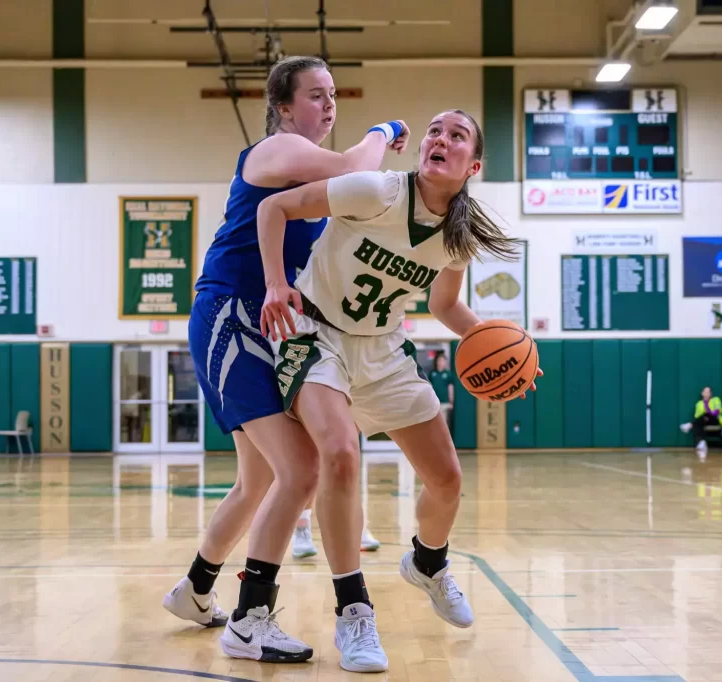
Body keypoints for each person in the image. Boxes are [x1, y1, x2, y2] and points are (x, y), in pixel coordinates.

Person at [257, 109, 540, 672]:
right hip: (315, 332)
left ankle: (428, 563)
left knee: (447, 480)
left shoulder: (459, 235)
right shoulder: (376, 190)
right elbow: (275, 207)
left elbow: (443, 306)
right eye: (435, 130)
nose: (439, 138)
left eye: (456, 135)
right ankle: (353, 610)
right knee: (339, 456)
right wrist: (275, 284)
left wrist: (505, 349)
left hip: (384, 347)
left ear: (473, 164)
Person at [160, 55, 409, 664]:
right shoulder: (271, 152)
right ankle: (251, 619)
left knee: (260, 479)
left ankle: (194, 589)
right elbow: (358, 168)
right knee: (301, 467)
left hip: (271, 326)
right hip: (231, 315)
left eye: (332, 96)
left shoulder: (307, 178)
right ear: (283, 108)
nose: (327, 106)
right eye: (316, 95)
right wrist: (386, 130)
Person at [680, 386, 722, 454]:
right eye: (705, 392)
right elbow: (697, 416)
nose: (707, 393)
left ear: (710, 394)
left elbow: (718, 410)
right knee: (701, 420)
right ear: (702, 393)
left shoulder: (716, 399)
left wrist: (709, 413)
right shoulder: (699, 404)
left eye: (708, 392)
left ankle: (690, 425)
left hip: (715, 420)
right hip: (704, 421)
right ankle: (702, 442)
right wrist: (705, 415)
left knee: (706, 415)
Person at [429, 351, 456, 432]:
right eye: (439, 360)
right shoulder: (432, 373)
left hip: (444, 402)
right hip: (434, 403)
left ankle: (444, 442)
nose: (441, 362)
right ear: (436, 361)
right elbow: (429, 387)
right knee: (434, 423)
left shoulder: (448, 374)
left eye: (443, 360)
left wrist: (451, 401)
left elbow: (450, 388)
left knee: (443, 423)